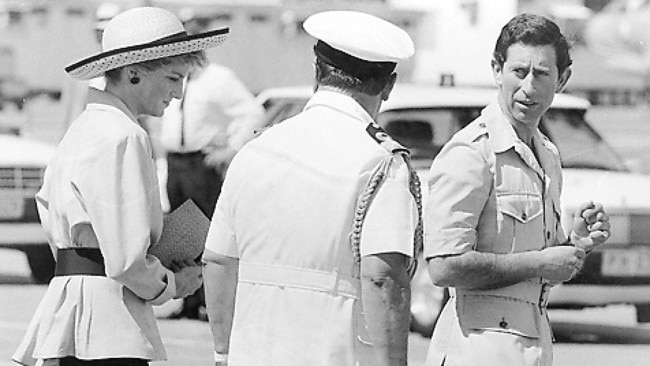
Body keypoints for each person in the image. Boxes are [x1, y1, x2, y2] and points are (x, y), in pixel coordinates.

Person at [12, 7, 229, 366]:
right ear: (133, 74)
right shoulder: (124, 136)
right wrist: (174, 284)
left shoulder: (84, 129)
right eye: (173, 78)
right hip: (109, 324)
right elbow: (126, 260)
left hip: (69, 307)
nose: (177, 94)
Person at [202, 10, 421, 366]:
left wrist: (224, 352)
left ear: (317, 72)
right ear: (389, 85)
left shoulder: (254, 150)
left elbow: (217, 262)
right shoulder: (381, 163)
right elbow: (383, 278)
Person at [424, 13, 611, 366]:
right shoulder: (472, 152)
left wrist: (575, 246)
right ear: (497, 70)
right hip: (476, 352)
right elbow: (444, 267)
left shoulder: (548, 157)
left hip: (532, 348)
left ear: (562, 80)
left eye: (542, 74)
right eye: (519, 72)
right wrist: (540, 261)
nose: (529, 87)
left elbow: (540, 272)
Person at [157, 8, 264, 320]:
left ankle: (209, 301)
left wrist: (231, 148)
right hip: (176, 162)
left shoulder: (219, 79)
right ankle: (187, 299)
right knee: (180, 235)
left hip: (200, 165)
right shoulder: (178, 78)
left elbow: (252, 113)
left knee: (207, 235)